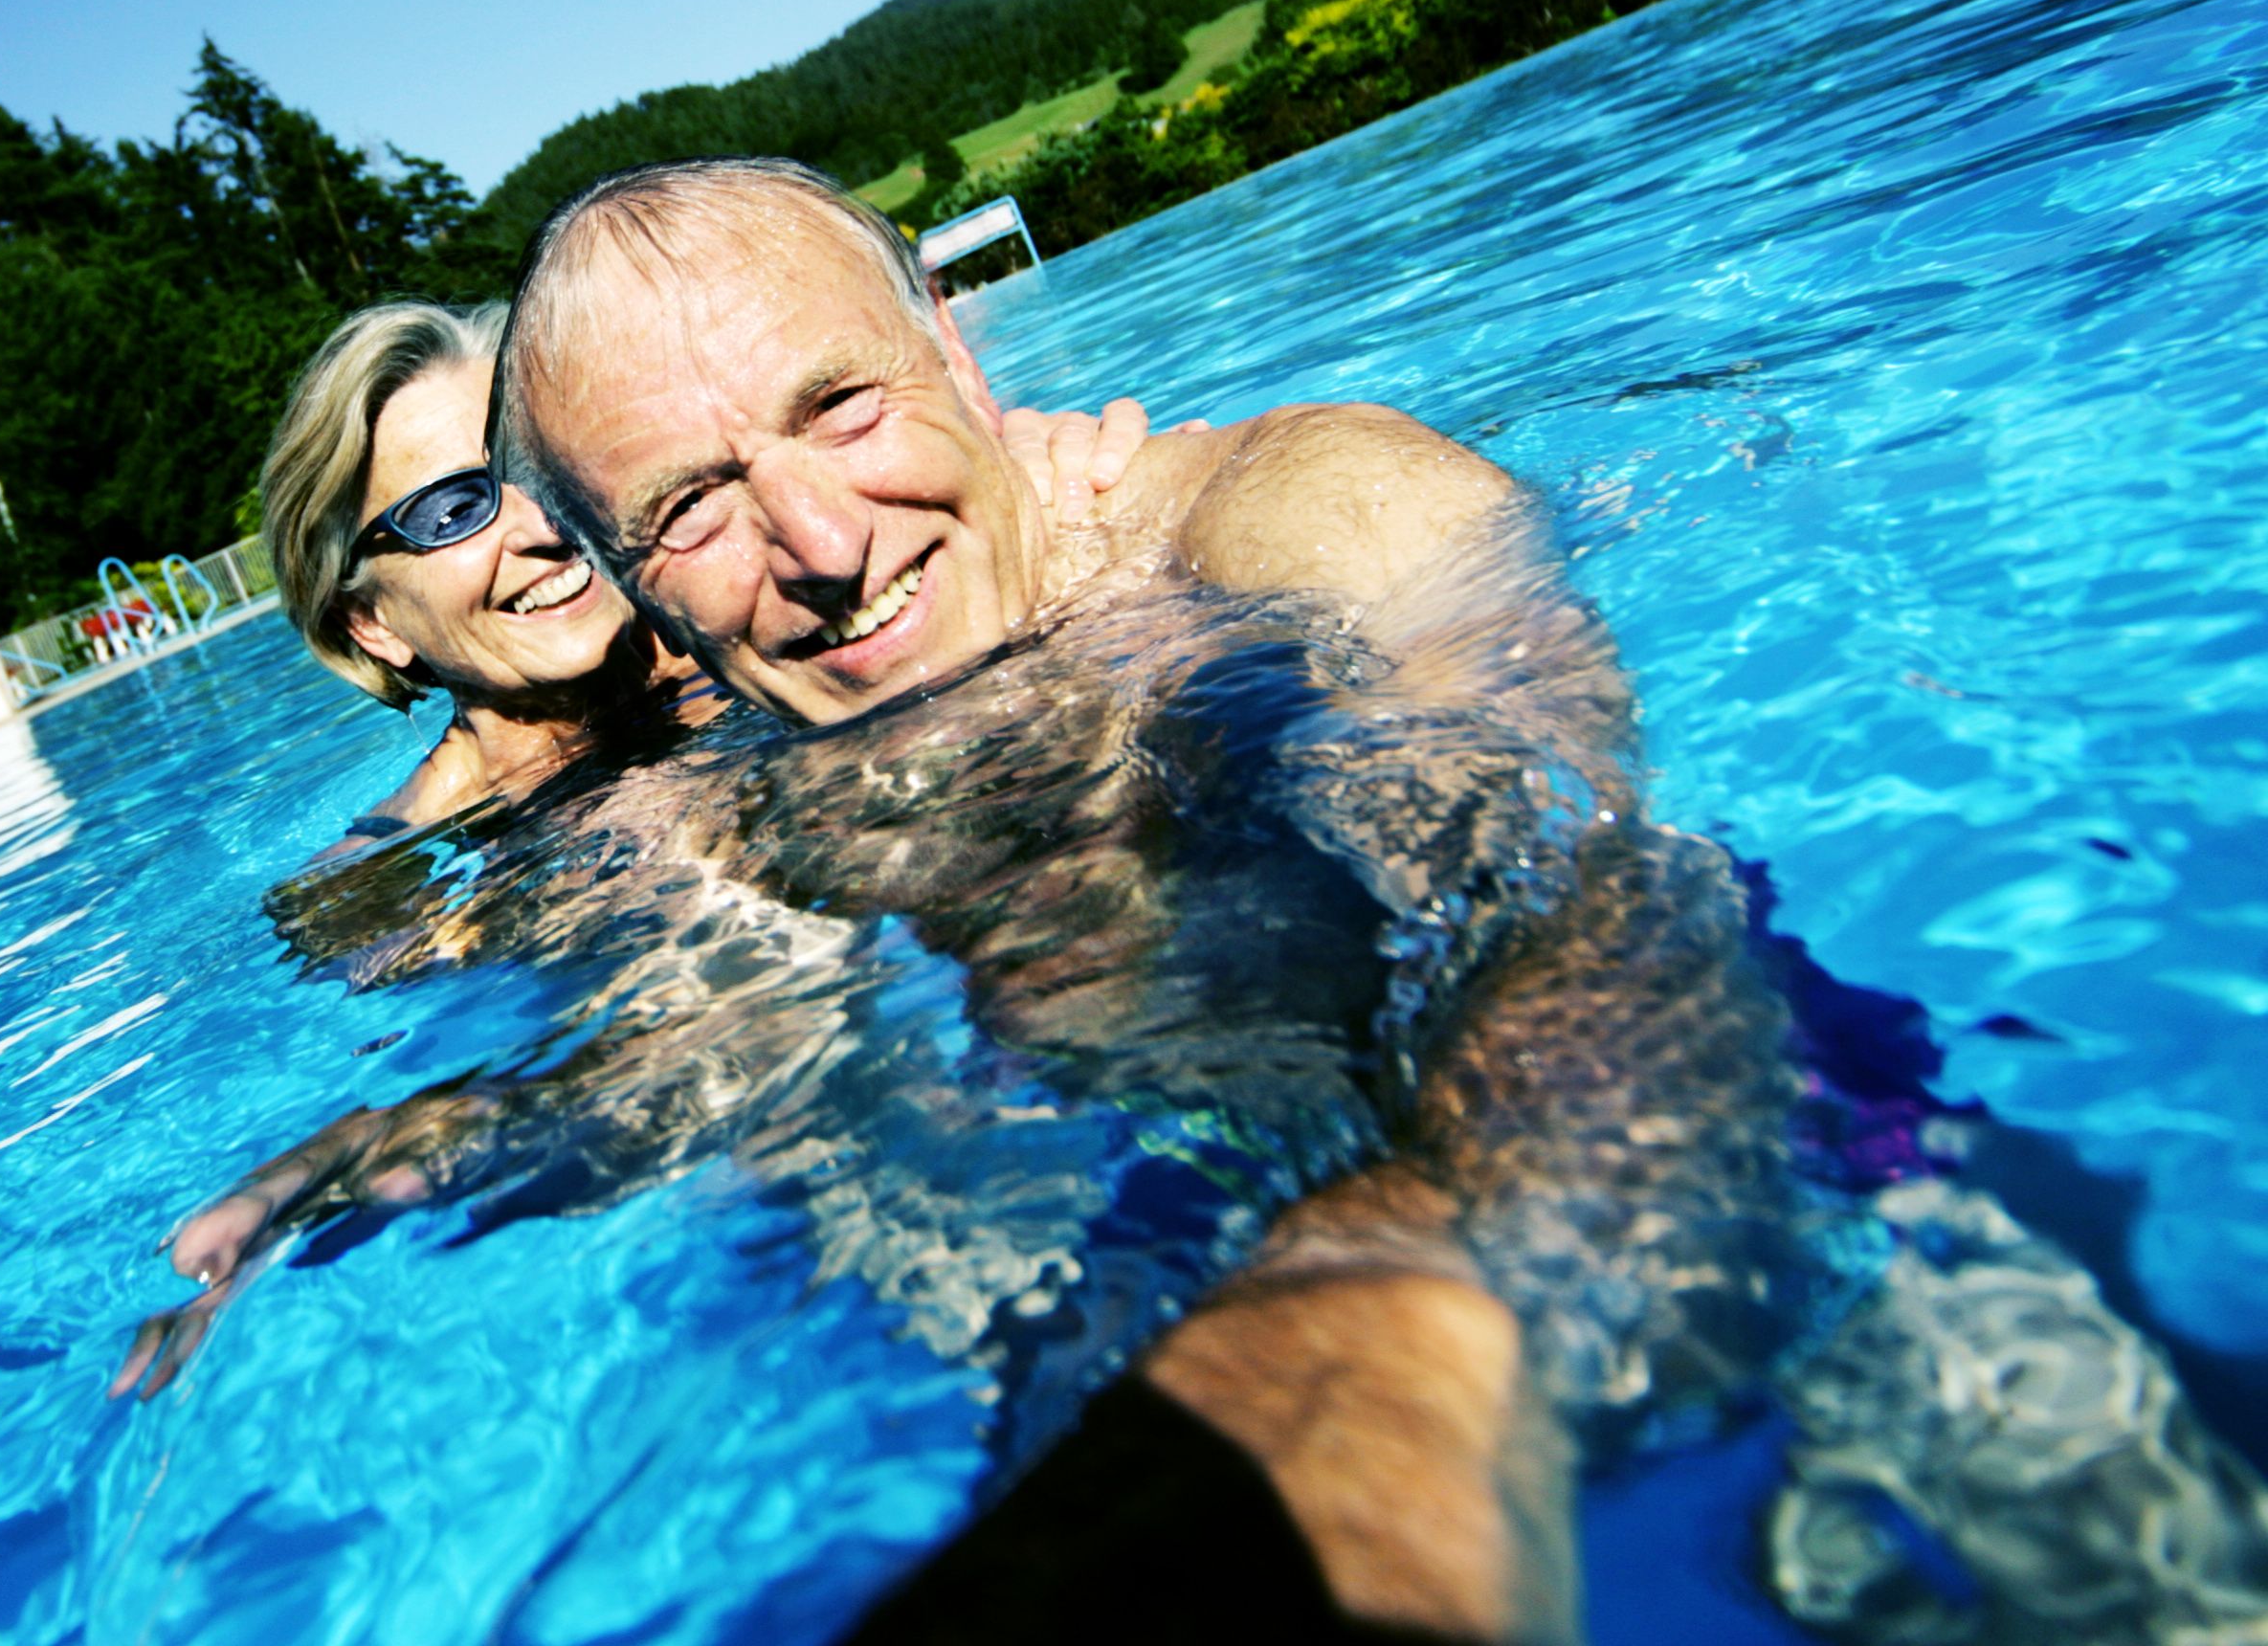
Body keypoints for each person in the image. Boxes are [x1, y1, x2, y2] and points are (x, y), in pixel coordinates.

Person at [137, 162, 2268, 1643]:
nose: (813, 532)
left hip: (1766, 1177)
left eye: (843, 405)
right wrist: (463, 1128)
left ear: (963, 357)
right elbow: (715, 1056)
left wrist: (1416, 1279)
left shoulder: (1271, 508)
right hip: (1153, 1268)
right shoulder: (698, 778)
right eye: (692, 500)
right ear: (618, 569)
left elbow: (1544, 853)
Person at [258, 297, 1158, 852]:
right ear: (366, 625)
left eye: (536, 473)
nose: (540, 526)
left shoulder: (742, 621)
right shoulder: (398, 874)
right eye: (454, 508)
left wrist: (1044, 487)